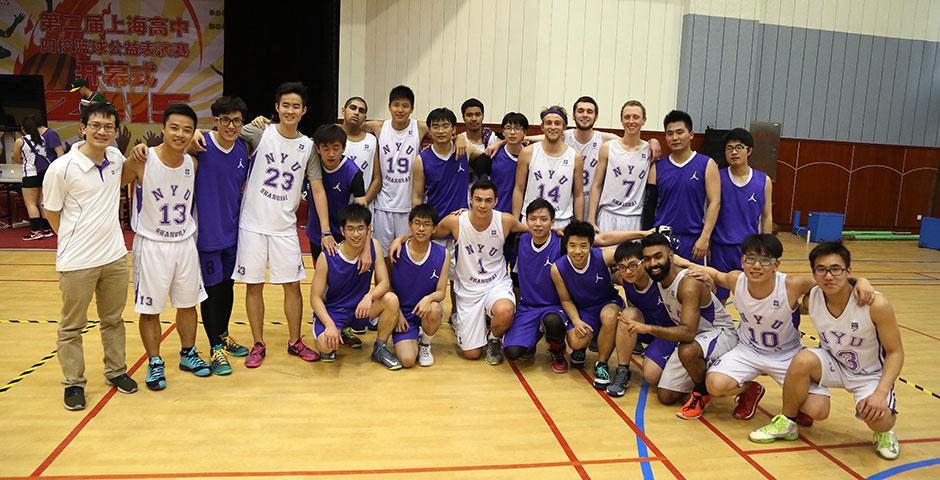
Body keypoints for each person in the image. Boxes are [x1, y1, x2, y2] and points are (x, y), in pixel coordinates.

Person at [682, 235, 873, 422]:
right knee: (715, 385)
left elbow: (828, 281)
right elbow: (715, 274)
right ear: (742, 261)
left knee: (818, 411)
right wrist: (679, 260)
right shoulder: (736, 279)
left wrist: (861, 281)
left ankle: (796, 403)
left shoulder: (792, 284)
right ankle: (751, 391)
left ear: (776, 265)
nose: (757, 266)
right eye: (751, 259)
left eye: (765, 261)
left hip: (787, 354)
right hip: (748, 350)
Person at [749, 242, 904, 461]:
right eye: (821, 270)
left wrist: (880, 393)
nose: (828, 276)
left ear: (848, 271)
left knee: (880, 418)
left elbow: (895, 352)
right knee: (803, 360)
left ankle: (885, 431)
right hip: (834, 363)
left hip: (869, 374)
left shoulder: (875, 304)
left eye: (836, 269)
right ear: (814, 273)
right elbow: (780, 291)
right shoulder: (812, 298)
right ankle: (787, 421)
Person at [230, 82, 336, 368]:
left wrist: (326, 230)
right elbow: (225, 134)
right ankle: (258, 343)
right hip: (252, 224)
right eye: (285, 105)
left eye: (295, 106)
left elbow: (317, 189)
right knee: (253, 286)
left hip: (285, 227)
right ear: (276, 107)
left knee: (292, 285)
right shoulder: (259, 132)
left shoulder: (308, 146)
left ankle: (294, 340)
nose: (290, 110)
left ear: (304, 111)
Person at [42, 102, 138, 410]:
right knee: (72, 326)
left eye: (109, 127)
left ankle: (116, 371)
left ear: (115, 131)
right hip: (77, 261)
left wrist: (139, 156)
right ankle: (73, 383)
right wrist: (73, 239)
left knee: (113, 320)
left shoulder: (114, 157)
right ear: (83, 128)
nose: (102, 131)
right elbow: (52, 213)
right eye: (95, 125)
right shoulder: (62, 169)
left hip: (114, 256)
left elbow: (121, 180)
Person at [393, 179, 527, 364]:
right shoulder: (455, 221)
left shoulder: (505, 220)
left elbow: (534, 229)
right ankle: (480, 328)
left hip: (496, 284)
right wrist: (401, 239)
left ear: (496, 201)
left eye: (488, 200)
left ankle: (494, 339)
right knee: (472, 354)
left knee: (504, 310)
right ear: (470, 200)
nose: (482, 205)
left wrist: (558, 230)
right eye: (478, 199)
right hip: (468, 290)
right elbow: (426, 230)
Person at [124, 103, 210, 390]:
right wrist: (130, 153)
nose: (180, 134)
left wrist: (201, 133)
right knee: (150, 310)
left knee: (188, 304)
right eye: (174, 127)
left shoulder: (192, 164)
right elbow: (113, 183)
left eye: (187, 129)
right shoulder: (142, 160)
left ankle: (188, 353)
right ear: (162, 128)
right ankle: (155, 361)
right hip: (152, 244)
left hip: (184, 243)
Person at [623, 233, 737, 419]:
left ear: (671, 256)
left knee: (688, 351)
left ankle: (703, 391)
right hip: (692, 338)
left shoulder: (688, 284)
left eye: (658, 256)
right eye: (648, 259)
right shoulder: (658, 276)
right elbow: (622, 265)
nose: (653, 263)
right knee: (666, 396)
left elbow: (687, 333)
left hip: (718, 333)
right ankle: (712, 371)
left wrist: (647, 329)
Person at [310, 204, 403, 369]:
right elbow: (315, 298)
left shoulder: (374, 246)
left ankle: (380, 348)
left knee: (391, 299)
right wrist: (330, 325)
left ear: (368, 229)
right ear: (342, 230)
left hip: (360, 309)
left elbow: (384, 283)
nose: (355, 234)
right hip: (335, 311)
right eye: (350, 229)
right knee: (326, 346)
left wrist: (369, 297)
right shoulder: (328, 256)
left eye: (360, 228)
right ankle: (337, 329)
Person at [551, 221, 641, 391]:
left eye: (583, 246)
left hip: (607, 302)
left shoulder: (603, 256)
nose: (578, 251)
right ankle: (581, 348)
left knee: (610, 316)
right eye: (573, 246)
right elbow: (565, 300)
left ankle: (602, 364)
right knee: (576, 341)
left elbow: (630, 256)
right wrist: (576, 321)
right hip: (583, 310)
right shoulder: (558, 268)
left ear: (591, 245)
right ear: (566, 245)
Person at [641, 110, 720, 265]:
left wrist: (705, 237)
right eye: (670, 133)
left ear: (691, 134)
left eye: (679, 132)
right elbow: (649, 206)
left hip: (693, 241)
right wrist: (648, 239)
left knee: (693, 287)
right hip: (662, 239)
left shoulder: (707, 164)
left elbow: (715, 203)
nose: (674, 137)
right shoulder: (657, 167)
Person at [359, 86, 429, 254]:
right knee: (382, 255)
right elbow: (352, 127)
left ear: (412, 109)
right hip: (383, 205)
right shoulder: (379, 127)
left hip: (408, 206)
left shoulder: (419, 128)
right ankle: (384, 282)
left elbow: (446, 134)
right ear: (389, 106)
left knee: (405, 254)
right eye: (396, 105)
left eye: (405, 106)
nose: (400, 110)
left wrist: (460, 140)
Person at [710, 128, 773, 302]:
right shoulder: (717, 177)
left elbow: (767, 216)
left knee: (751, 297)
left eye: (739, 147)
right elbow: (708, 210)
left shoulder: (763, 181)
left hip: (749, 250)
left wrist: (767, 248)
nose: (734, 152)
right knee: (718, 298)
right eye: (729, 148)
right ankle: (719, 329)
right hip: (720, 248)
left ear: (749, 150)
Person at [612, 241, 677, 398]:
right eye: (622, 267)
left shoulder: (663, 279)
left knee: (651, 375)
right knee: (627, 315)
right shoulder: (624, 279)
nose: (628, 271)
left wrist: (700, 272)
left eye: (633, 265)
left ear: (644, 262)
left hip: (671, 333)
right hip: (647, 328)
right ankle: (623, 371)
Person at [389, 204, 449, 368]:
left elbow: (441, 292)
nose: (421, 228)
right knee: (408, 361)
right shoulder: (397, 250)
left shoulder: (443, 253)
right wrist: (396, 313)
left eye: (427, 224)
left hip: (424, 310)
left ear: (434, 228)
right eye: (417, 223)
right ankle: (407, 336)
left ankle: (425, 344)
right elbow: (388, 287)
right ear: (410, 225)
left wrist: (428, 299)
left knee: (435, 307)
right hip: (402, 314)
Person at [588, 100, 653, 233]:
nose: (631, 121)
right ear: (621, 120)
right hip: (608, 214)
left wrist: (654, 141)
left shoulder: (650, 150)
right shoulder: (608, 147)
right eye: (627, 117)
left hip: (635, 217)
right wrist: (590, 218)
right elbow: (596, 185)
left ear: (644, 120)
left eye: (636, 117)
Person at [513, 106, 584, 227]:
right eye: (548, 123)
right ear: (542, 127)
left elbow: (578, 195)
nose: (552, 127)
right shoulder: (527, 153)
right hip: (531, 220)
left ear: (564, 128)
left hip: (561, 221)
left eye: (557, 123)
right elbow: (519, 189)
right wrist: (515, 221)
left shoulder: (575, 157)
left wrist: (579, 224)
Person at [306, 124, 367, 259]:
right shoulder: (312, 166)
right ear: (317, 149)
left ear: (344, 148)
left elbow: (363, 211)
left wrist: (366, 247)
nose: (331, 154)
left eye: (336, 148)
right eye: (325, 149)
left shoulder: (353, 172)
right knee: (321, 276)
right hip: (317, 233)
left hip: (343, 235)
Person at [12, 115, 63, 240]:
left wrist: (21, 159)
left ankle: (35, 231)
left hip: (30, 174)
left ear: (23, 129)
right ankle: (46, 228)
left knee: (30, 203)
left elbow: (16, 159)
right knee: (42, 202)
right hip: (43, 173)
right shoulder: (41, 139)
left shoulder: (20, 141)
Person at [339, 97, 382, 209]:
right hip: (335, 207)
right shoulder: (333, 136)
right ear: (343, 110)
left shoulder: (371, 140)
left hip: (362, 209)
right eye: (353, 108)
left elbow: (377, 179)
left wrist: (362, 205)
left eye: (361, 111)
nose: (356, 112)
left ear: (365, 118)